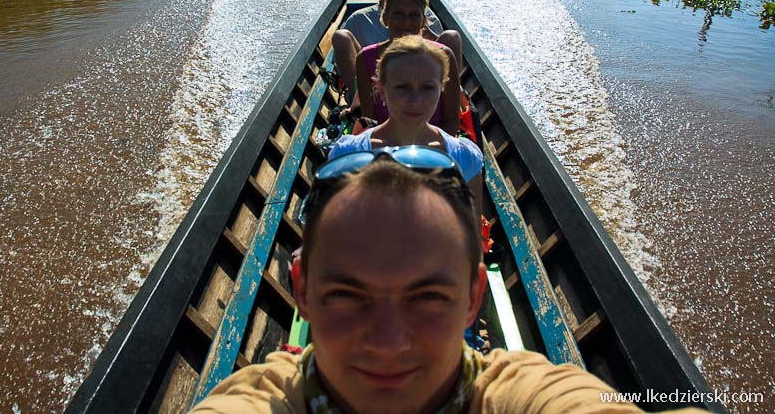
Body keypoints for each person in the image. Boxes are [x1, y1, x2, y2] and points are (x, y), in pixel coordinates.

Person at [190, 153, 708, 414]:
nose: (389, 342)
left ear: (473, 298)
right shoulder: (260, 400)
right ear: (300, 291)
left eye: (429, 297)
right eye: (347, 295)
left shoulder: (525, 395)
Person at [330, 35, 483, 216]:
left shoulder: (465, 157)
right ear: (381, 89)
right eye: (402, 87)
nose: (415, 100)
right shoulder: (348, 155)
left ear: (441, 88)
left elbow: (471, 234)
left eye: (427, 87)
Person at [332, 0, 462, 101]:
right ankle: (360, 101)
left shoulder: (423, 15)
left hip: (421, 76)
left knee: (452, 37)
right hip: (373, 87)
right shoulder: (359, 19)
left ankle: (447, 101)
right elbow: (346, 62)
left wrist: (421, 29)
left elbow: (438, 49)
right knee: (340, 36)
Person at [356, 0, 460, 135]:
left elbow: (451, 121)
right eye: (398, 15)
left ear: (423, 21)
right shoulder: (366, 57)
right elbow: (370, 120)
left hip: (434, 147)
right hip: (385, 146)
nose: (406, 23)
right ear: (385, 18)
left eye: (414, 15)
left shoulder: (443, 56)